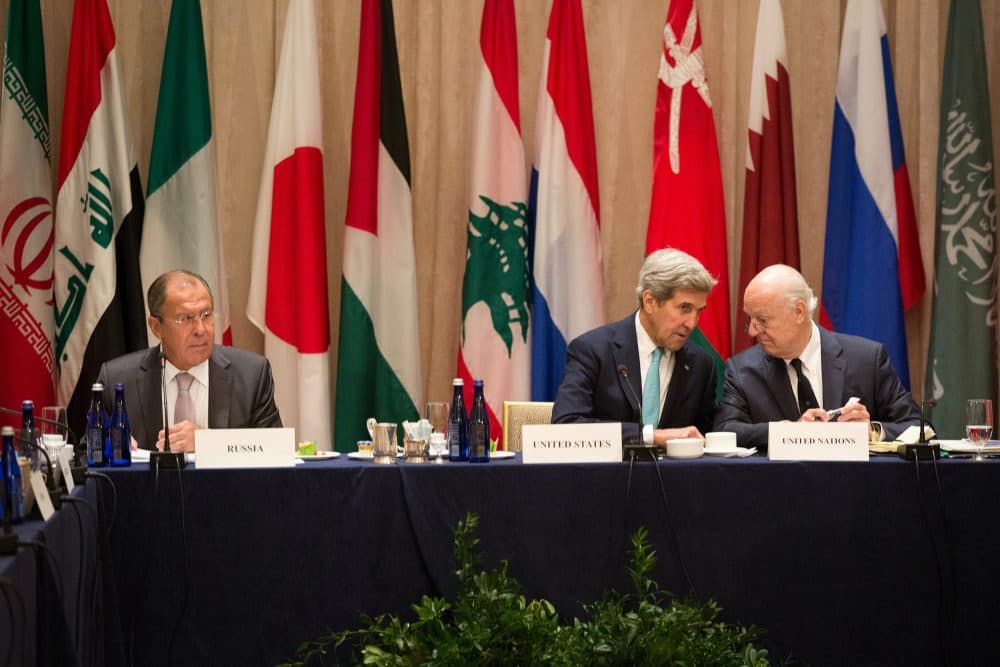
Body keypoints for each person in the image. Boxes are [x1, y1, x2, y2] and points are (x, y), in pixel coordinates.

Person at [713, 264, 921, 447]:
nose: (752, 331)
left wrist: (872, 431)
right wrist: (790, 431)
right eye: (750, 319)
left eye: (762, 320)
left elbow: (919, 428)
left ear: (799, 312)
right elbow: (724, 430)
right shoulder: (742, 370)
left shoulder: (867, 359)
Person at [97, 270, 282, 452]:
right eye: (185, 318)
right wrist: (108, 447)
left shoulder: (252, 375)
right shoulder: (117, 380)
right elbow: (87, 455)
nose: (200, 329)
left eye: (206, 315)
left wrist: (208, 442)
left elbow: (276, 450)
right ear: (156, 327)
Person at [552, 248, 718, 447]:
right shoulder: (593, 350)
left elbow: (704, 437)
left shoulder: (701, 365)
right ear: (650, 301)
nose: (692, 323)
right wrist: (650, 437)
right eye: (684, 308)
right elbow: (566, 425)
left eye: (698, 311)